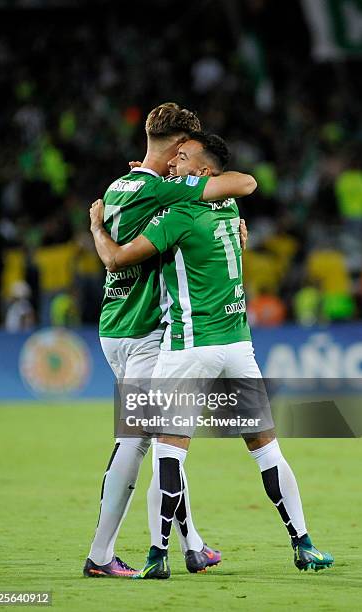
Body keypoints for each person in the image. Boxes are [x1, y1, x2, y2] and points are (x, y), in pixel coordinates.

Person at [89, 131, 334, 579]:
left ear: (202, 172)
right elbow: (237, 211)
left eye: (181, 160)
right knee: (267, 449)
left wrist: (97, 229)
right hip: (239, 347)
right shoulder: (231, 209)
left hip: (189, 348)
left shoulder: (176, 215)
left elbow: (118, 260)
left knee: (167, 451)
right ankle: (303, 543)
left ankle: (157, 555)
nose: (173, 167)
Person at [84, 103, 256, 578]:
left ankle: (192, 545)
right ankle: (100, 555)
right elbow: (241, 183)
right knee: (139, 441)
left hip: (116, 323)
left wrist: (98, 227)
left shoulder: (122, 185)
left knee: (167, 439)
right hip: (145, 330)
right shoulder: (165, 186)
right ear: (181, 147)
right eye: (188, 152)